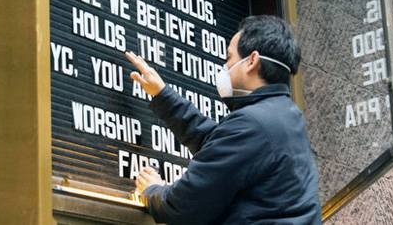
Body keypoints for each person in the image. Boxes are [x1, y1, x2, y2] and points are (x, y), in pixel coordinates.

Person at [124, 15, 321, 224]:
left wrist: (152, 190)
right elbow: (219, 145)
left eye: (229, 58)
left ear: (251, 61)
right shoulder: (285, 116)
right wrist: (163, 96)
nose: (225, 67)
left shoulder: (252, 125)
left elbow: (184, 206)